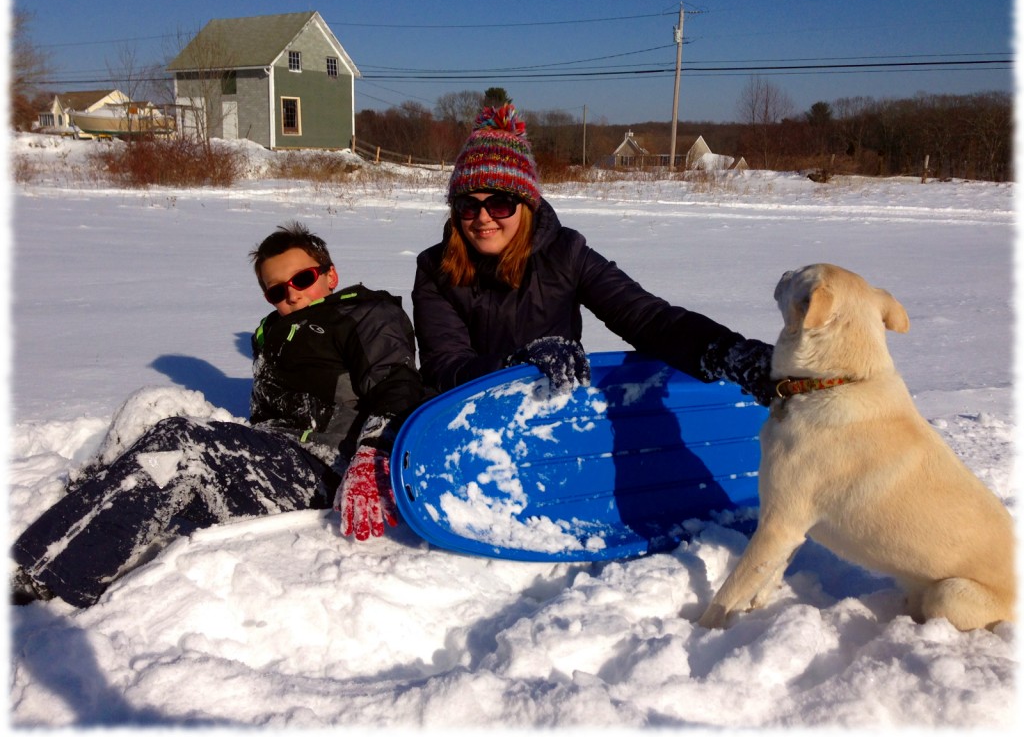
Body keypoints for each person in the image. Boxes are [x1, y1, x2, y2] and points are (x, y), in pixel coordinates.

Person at [11, 222, 423, 608]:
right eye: (277, 291)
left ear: (329, 275)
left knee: (180, 444)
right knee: (153, 405)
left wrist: (373, 452)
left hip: (322, 467)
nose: (292, 295)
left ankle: (57, 572)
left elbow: (395, 382)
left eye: (302, 280)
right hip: (272, 452)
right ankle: (105, 492)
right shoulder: (270, 331)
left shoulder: (366, 314)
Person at [412, 103, 774, 405]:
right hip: (468, 417)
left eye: (500, 202)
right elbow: (446, 368)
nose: (484, 218)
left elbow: (647, 317)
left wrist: (726, 352)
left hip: (554, 410)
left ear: (525, 206)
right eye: (468, 205)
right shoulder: (436, 268)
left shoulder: (566, 252)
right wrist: (513, 364)